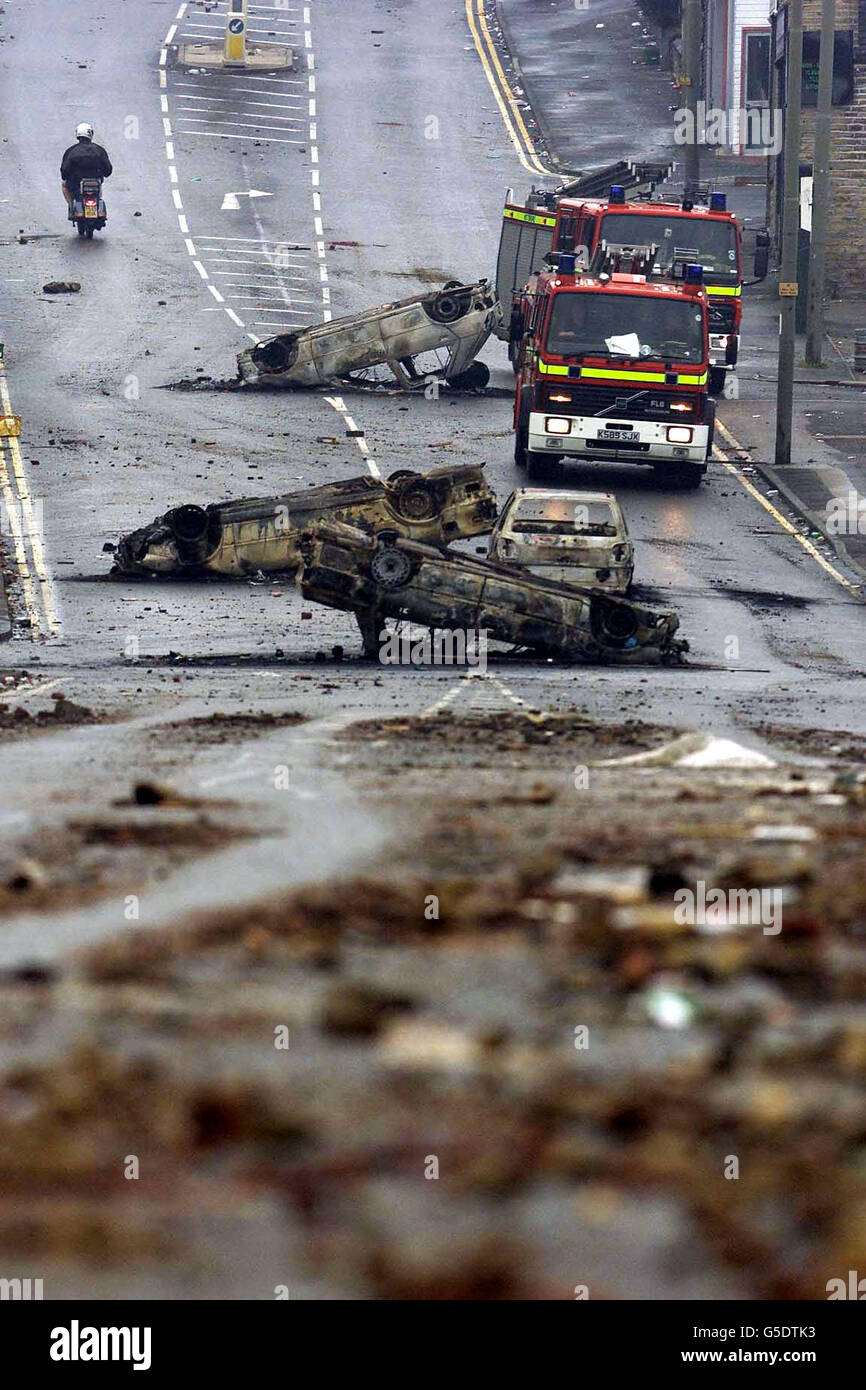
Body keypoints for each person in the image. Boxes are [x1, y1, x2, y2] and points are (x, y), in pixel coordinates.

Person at [61, 124, 112, 217]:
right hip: (95, 184)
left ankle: (72, 207)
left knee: (64, 185)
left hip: (75, 184)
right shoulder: (100, 150)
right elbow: (108, 170)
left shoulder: (71, 151)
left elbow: (64, 171)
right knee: (99, 186)